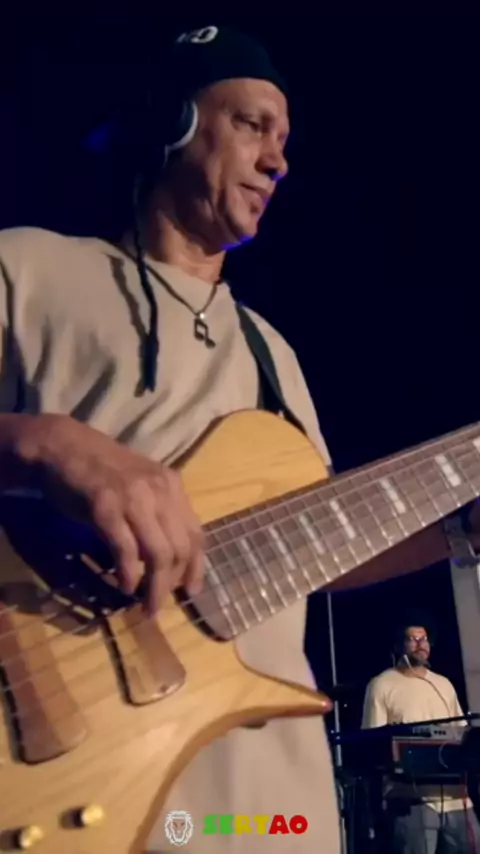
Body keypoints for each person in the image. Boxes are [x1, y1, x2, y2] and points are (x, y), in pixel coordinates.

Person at [1, 23, 479, 854]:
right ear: (172, 122)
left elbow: (311, 553)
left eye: (285, 138)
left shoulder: (274, 355)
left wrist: (458, 531)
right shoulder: (30, 270)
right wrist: (47, 445)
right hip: (79, 774)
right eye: (253, 125)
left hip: (269, 814)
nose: (278, 161)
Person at [362, 614, 480, 853]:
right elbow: (373, 744)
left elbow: (460, 734)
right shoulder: (381, 685)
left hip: (457, 799)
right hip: (412, 800)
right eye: (413, 639)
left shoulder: (443, 684)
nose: (420, 644)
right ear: (398, 646)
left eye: (424, 639)